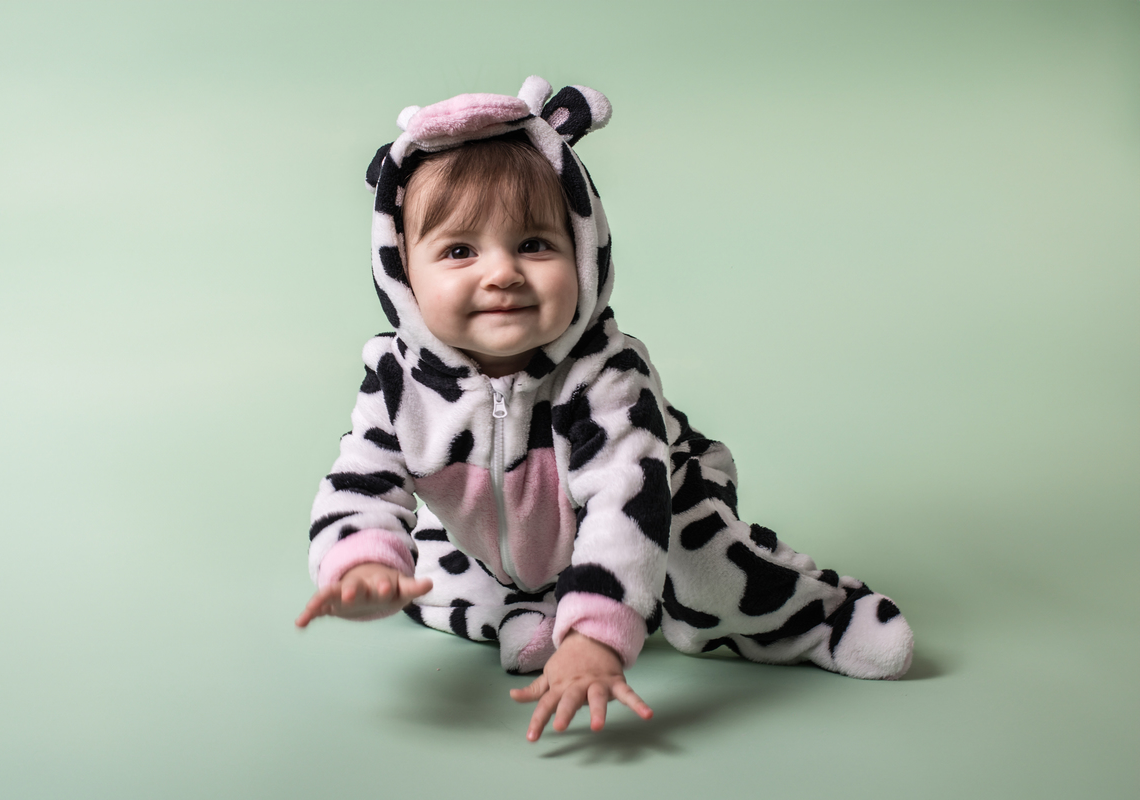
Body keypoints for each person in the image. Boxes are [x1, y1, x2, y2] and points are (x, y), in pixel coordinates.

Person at [295, 77, 914, 742]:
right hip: (496, 540)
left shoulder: (605, 374)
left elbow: (625, 503)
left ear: (584, 253)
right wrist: (361, 565)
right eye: (459, 251)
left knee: (703, 585)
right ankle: (529, 607)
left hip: (661, 506)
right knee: (426, 585)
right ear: (403, 272)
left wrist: (597, 637)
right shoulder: (397, 378)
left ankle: (821, 618)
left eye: (534, 244)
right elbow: (360, 479)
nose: (501, 273)